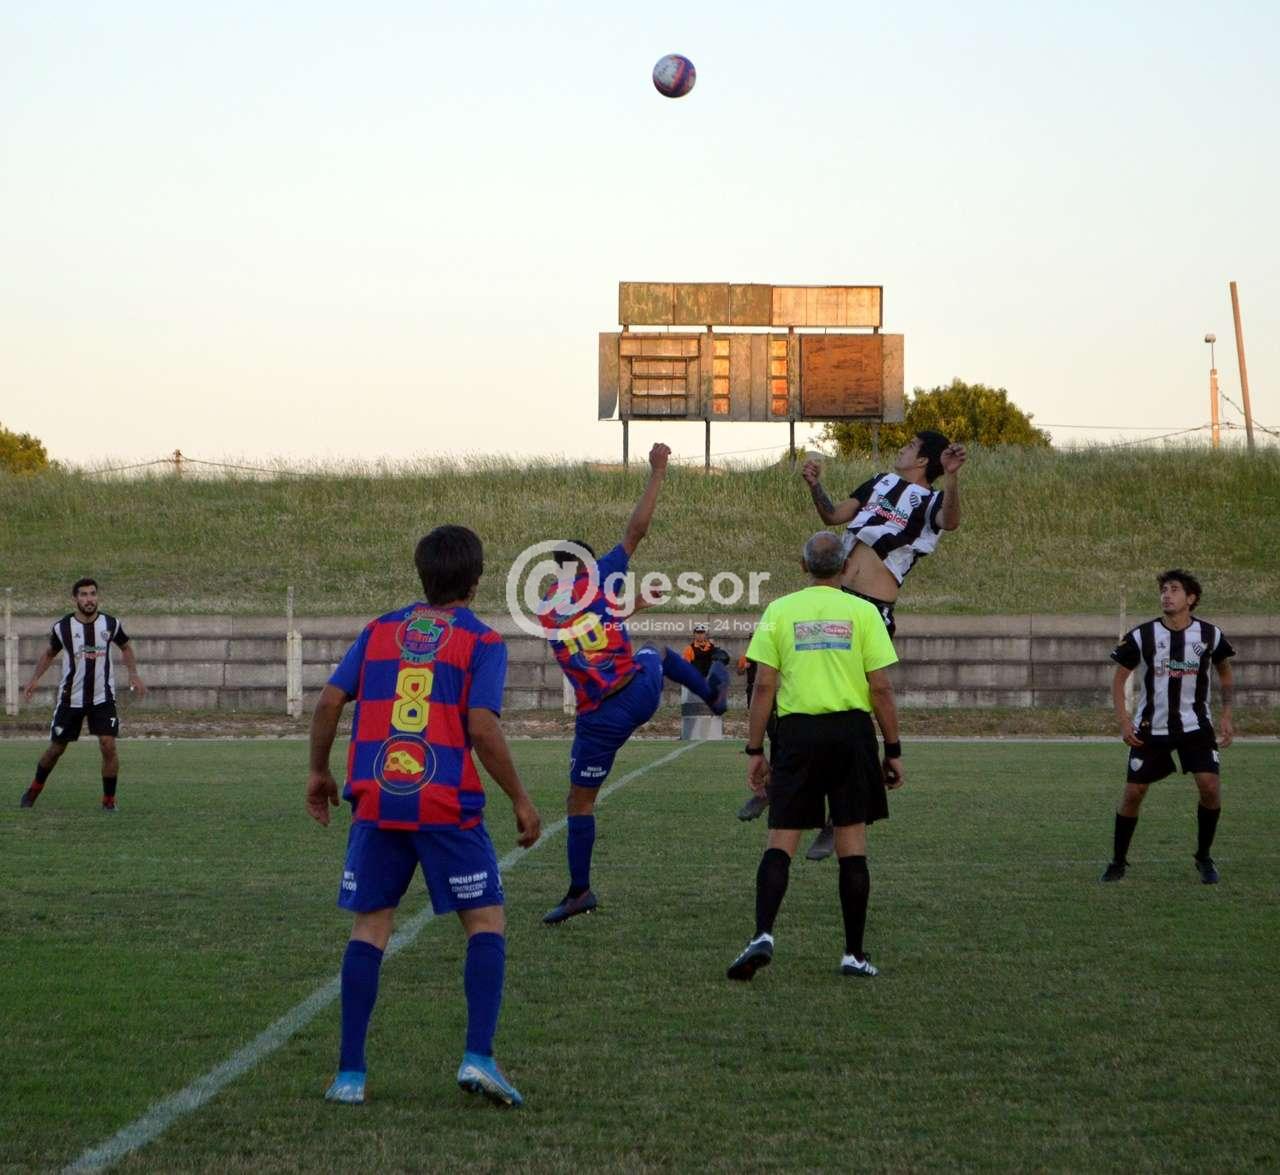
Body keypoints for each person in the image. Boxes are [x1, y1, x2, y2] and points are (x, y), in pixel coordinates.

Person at [306, 525, 542, 1107]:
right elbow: (482, 726)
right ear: (477, 579)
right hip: (445, 803)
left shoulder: (380, 629)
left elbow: (331, 699)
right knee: (485, 923)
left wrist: (319, 771)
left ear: (421, 573)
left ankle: (350, 1077)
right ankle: (479, 1057)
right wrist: (520, 797)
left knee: (370, 929)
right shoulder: (482, 642)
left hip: (377, 800)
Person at [539, 442, 728, 925]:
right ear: (586, 564)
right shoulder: (600, 576)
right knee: (659, 654)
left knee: (579, 803)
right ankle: (712, 696)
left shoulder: (546, 608)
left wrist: (634, 603)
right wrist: (658, 472)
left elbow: (591, 622)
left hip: (598, 719)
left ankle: (579, 891)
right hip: (639, 690)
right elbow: (636, 529)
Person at [755, 432, 964, 859]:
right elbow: (833, 515)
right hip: (834, 599)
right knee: (775, 684)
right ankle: (774, 780)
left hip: (870, 608)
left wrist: (955, 478)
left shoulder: (929, 502)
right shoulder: (878, 483)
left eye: (909, 446)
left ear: (923, 460)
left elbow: (952, 520)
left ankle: (839, 817)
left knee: (852, 704)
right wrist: (814, 485)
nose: (900, 448)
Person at [726, 531, 904, 981]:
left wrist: (755, 749)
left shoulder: (779, 611)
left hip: (797, 735)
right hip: (851, 734)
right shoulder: (864, 612)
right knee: (852, 848)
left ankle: (763, 934)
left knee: (780, 842)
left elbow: (764, 685)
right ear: (846, 568)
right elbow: (880, 687)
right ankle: (854, 955)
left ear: (802, 567)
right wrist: (894, 748)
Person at [1101, 569, 1235, 885]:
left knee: (1210, 788)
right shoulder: (1142, 635)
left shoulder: (1210, 635)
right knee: (1134, 792)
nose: (1166, 594)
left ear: (1191, 599)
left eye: (1174, 589)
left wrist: (1227, 715)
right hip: (1151, 727)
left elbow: (1225, 672)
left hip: (1195, 727)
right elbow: (1119, 678)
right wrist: (1123, 721)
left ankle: (1203, 857)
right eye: (1163, 589)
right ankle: (1118, 862)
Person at [19, 578, 145, 811]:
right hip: (71, 698)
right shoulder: (62, 627)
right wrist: (35, 679)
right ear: (76, 599)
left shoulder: (110, 623)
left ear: (97, 597)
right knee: (56, 749)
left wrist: (134, 674)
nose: (89, 599)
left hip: (102, 698)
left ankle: (109, 801)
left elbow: (126, 646)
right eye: (84, 595)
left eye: (93, 594)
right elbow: (49, 653)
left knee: (108, 745)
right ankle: (33, 790)